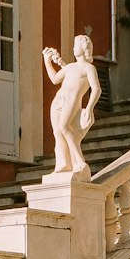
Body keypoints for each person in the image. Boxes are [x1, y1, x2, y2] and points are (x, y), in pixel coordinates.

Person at [42, 35, 102, 176]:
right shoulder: (70, 67)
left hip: (72, 101)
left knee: (64, 127)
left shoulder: (89, 68)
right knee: (57, 132)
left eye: (76, 45)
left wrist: (89, 108)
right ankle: (64, 163)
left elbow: (97, 89)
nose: (74, 48)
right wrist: (47, 62)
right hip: (58, 101)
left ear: (84, 48)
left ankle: (80, 162)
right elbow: (55, 79)